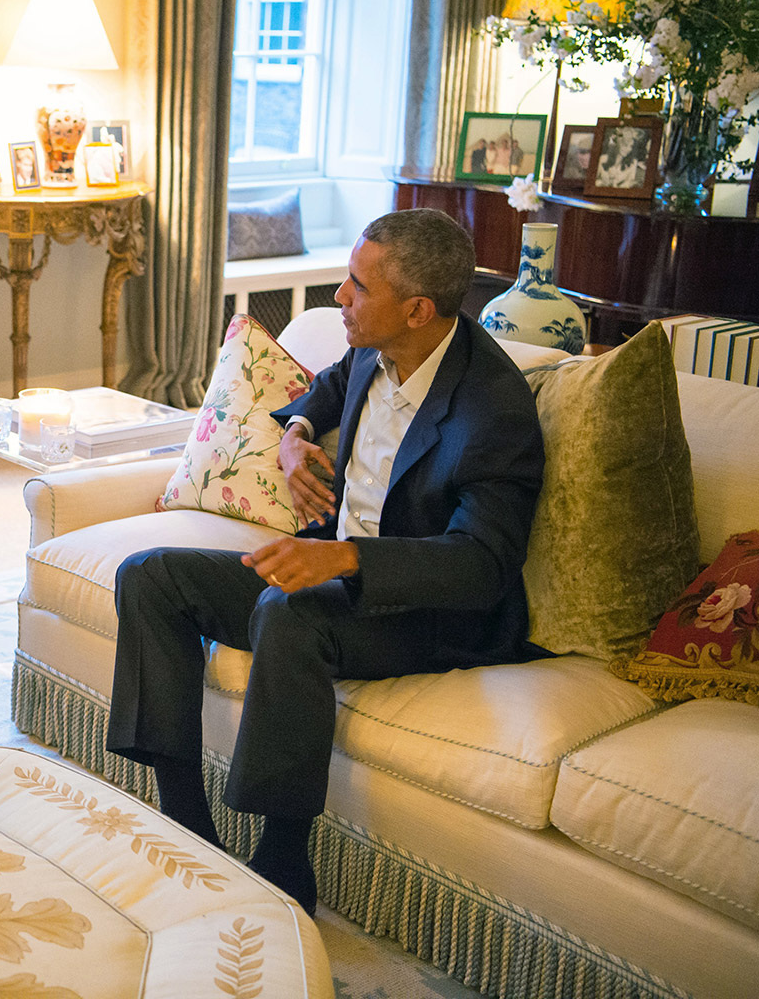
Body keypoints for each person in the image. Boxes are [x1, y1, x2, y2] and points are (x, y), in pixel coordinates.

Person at [105, 208, 545, 916]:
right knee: (151, 576)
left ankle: (283, 862)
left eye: (355, 286)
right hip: (334, 582)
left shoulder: (492, 409)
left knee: (291, 608)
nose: (339, 297)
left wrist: (343, 557)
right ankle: (185, 820)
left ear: (417, 309)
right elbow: (331, 386)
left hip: (428, 616)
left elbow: (482, 567)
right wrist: (295, 435)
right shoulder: (377, 347)